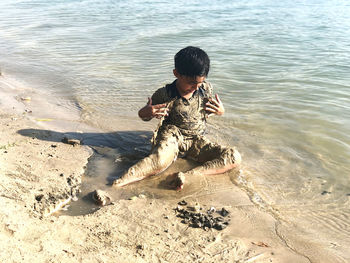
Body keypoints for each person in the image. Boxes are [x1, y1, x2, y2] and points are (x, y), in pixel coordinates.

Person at [113, 46, 241, 190]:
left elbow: (209, 110)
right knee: (159, 161)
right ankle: (119, 183)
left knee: (233, 156)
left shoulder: (205, 89)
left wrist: (220, 111)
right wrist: (148, 111)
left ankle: (190, 175)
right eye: (192, 83)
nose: (195, 87)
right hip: (172, 136)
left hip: (195, 140)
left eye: (199, 82)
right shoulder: (165, 94)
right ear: (177, 74)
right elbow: (143, 116)